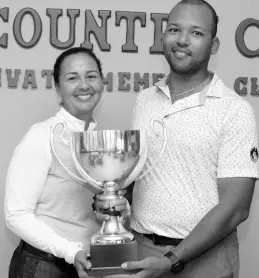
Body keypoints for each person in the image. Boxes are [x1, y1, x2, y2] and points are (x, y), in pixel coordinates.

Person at [95, 0, 259, 277]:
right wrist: (115, 198)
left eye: (196, 33)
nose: (182, 40)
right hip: (141, 248)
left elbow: (236, 208)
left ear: (214, 45)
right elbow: (141, 175)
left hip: (205, 258)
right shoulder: (145, 100)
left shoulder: (234, 109)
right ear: (163, 37)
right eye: (174, 29)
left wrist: (172, 259)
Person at [4, 47, 125, 278]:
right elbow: (16, 214)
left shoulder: (104, 142)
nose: (84, 85)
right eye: (72, 78)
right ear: (58, 88)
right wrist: (70, 251)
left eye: (91, 76)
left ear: (102, 82)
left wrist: (118, 209)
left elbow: (95, 209)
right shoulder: (42, 135)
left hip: (89, 264)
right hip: (44, 267)